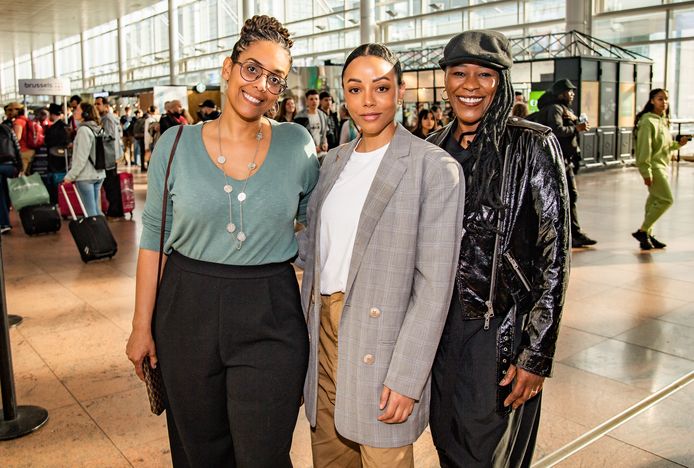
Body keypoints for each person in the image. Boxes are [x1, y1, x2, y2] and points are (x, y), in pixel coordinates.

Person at [125, 15, 319, 467]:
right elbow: (152, 239)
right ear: (227, 68)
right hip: (187, 307)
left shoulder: (298, 145)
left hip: (270, 309)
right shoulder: (176, 144)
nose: (261, 85)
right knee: (201, 452)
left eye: (276, 79)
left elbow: (319, 223)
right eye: (252, 69)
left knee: (264, 454)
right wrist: (140, 327)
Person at [299, 43, 464, 468]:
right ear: (343, 96)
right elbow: (316, 250)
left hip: (381, 339)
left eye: (381, 87)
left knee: (382, 456)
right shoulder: (332, 162)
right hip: (324, 333)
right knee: (331, 456)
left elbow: (434, 286)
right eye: (355, 89)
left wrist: (408, 375)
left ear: (401, 91)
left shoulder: (433, 167)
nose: (368, 101)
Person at [426, 30, 570, 467]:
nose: (470, 85)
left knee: (488, 452)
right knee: (446, 439)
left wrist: (537, 353)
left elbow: (555, 254)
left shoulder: (532, 143)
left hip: (499, 330)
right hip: (439, 330)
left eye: (484, 75)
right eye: (460, 73)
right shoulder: (433, 148)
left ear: (501, 82)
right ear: (446, 80)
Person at [531, 79, 596, 248]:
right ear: (561, 93)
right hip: (558, 161)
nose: (572, 94)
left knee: (568, 196)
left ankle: (571, 232)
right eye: (569, 91)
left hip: (564, 160)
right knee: (568, 196)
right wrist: (577, 128)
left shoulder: (564, 110)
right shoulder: (555, 109)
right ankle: (570, 233)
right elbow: (556, 131)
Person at [631, 88, 689, 250]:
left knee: (653, 202)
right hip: (654, 168)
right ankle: (643, 231)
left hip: (663, 166)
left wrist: (679, 144)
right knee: (666, 200)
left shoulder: (662, 120)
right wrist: (646, 172)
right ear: (651, 101)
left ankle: (647, 235)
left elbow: (666, 147)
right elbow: (644, 150)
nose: (664, 102)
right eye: (660, 99)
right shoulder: (648, 121)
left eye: (666, 99)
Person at [63, 102, 106, 217]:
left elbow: (81, 158)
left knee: (90, 212)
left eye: (77, 110)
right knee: (96, 209)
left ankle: (95, 234)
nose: (74, 112)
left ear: (85, 114)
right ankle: (102, 233)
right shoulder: (97, 128)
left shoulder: (83, 130)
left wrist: (70, 176)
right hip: (99, 173)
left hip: (86, 176)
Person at [95, 96, 125, 219]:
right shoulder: (109, 118)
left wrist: (96, 135)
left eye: (98, 104)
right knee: (111, 185)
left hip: (110, 157)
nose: (96, 106)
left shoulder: (107, 119)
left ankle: (115, 211)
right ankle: (115, 210)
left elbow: (109, 136)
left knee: (111, 185)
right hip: (112, 156)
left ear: (106, 106)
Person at [0, 116, 23, 233]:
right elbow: (17, 148)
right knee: (6, 192)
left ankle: (4, 223)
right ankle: (5, 217)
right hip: (10, 165)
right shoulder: (7, 129)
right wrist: (20, 166)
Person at [295, 89, 328, 156]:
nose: (314, 101)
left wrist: (325, 143)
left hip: (321, 152)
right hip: (307, 154)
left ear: (319, 101)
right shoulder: (300, 117)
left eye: (316, 99)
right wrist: (311, 148)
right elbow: (298, 138)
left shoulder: (323, 115)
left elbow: (324, 133)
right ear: (307, 101)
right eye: (311, 99)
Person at [8, 103, 35, 174]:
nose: (9, 113)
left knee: (21, 176)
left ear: (17, 110)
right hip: (29, 150)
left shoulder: (18, 121)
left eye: (11, 110)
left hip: (22, 152)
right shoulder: (25, 119)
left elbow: (17, 137)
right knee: (26, 175)